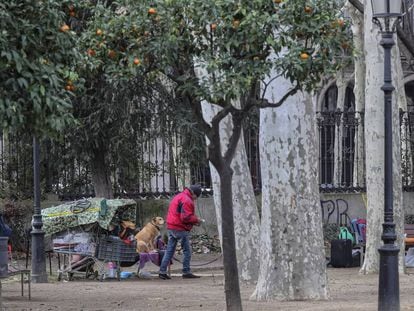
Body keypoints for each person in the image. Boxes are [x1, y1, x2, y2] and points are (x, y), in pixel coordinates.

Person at [158, 184, 204, 280]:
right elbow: (185, 217)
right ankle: (186, 271)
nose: (195, 199)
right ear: (194, 194)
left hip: (171, 226)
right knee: (187, 251)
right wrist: (197, 220)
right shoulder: (187, 200)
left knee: (169, 251)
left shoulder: (179, 196)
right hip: (180, 228)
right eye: (196, 197)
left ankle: (162, 272)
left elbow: (179, 214)